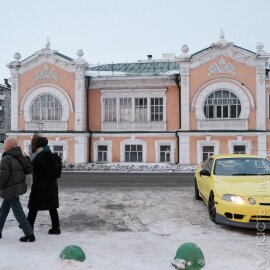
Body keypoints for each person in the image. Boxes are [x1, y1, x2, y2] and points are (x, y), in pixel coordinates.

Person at [0, 137, 35, 242]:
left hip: (10, 189)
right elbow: (29, 168)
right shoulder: (19, 156)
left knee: (18, 211)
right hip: (15, 188)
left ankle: (29, 234)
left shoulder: (6, 159)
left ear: (7, 146)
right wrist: (27, 158)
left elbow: (3, 176)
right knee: (4, 210)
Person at [26, 135, 61, 234]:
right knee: (52, 207)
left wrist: (27, 159)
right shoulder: (50, 154)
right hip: (51, 186)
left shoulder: (40, 155)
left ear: (38, 145)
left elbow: (32, 168)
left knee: (33, 206)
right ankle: (56, 228)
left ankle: (28, 226)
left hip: (40, 186)